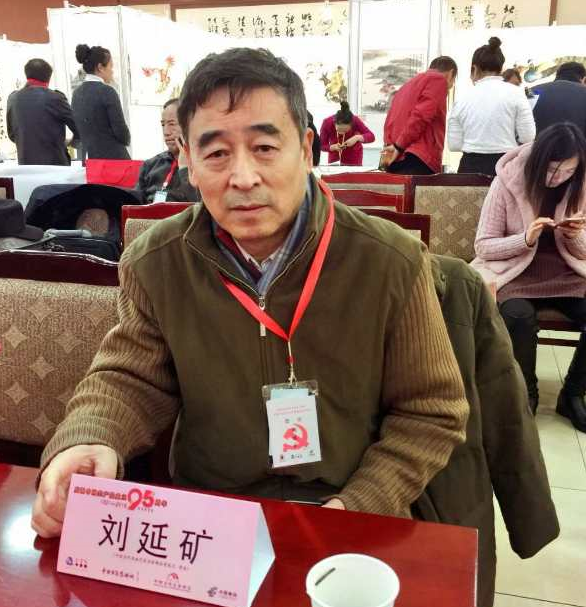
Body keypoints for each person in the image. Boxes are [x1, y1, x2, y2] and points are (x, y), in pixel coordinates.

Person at [32, 47, 469, 538]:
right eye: (217, 153)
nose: (243, 177)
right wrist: (90, 438)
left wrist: (357, 505)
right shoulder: (157, 261)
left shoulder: (390, 260)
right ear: (187, 160)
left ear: (306, 149)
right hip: (211, 517)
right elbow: (131, 377)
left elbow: (430, 412)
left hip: (348, 511)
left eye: (264, 147)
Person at [414, 254, 559, 607]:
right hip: (306, 515)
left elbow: (505, 413)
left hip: (439, 504)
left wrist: (530, 518)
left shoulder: (456, 287)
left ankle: (571, 394)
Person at [471, 123, 586, 430]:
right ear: (537, 161)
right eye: (552, 170)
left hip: (567, 273)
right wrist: (525, 239)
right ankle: (526, 394)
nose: (558, 178)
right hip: (515, 274)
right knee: (518, 316)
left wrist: (574, 235)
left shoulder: (581, 183)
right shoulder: (508, 181)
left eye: (568, 171)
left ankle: (573, 394)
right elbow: (483, 245)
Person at [448, 38, 535, 177]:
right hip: (506, 166)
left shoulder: (462, 99)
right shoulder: (516, 93)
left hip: (470, 167)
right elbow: (528, 137)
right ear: (501, 68)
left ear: (474, 68)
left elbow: (454, 144)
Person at [380, 56, 458, 175]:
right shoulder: (439, 80)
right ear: (451, 74)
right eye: (453, 81)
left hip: (395, 157)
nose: (451, 86)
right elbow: (421, 116)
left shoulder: (406, 86)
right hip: (418, 157)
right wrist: (399, 145)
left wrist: (392, 147)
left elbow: (390, 121)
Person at [6, 58, 79, 166]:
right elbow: (78, 127)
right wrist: (71, 142)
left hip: (26, 165)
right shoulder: (56, 98)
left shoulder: (13, 98)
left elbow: (12, 134)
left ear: (27, 74)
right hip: (55, 165)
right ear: (48, 77)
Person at [134, 98, 201, 203]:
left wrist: (184, 169)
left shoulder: (203, 163)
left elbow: (201, 205)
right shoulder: (151, 165)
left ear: (189, 125)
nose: (166, 132)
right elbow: (134, 203)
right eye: (163, 125)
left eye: (172, 124)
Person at [72, 44, 131, 159]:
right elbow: (121, 132)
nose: (112, 72)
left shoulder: (76, 93)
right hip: (114, 159)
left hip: (92, 159)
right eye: (111, 67)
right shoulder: (107, 92)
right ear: (100, 67)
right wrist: (127, 139)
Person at [533, 61, 586, 136]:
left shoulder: (533, 91)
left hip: (537, 142)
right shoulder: (583, 92)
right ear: (584, 79)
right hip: (577, 142)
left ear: (558, 75)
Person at [319, 102, 375, 166]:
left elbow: (371, 136)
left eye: (345, 130)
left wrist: (357, 138)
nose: (342, 133)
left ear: (351, 124)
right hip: (335, 160)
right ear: (334, 122)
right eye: (339, 130)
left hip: (354, 159)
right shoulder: (327, 123)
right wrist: (332, 147)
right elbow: (321, 145)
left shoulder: (355, 120)